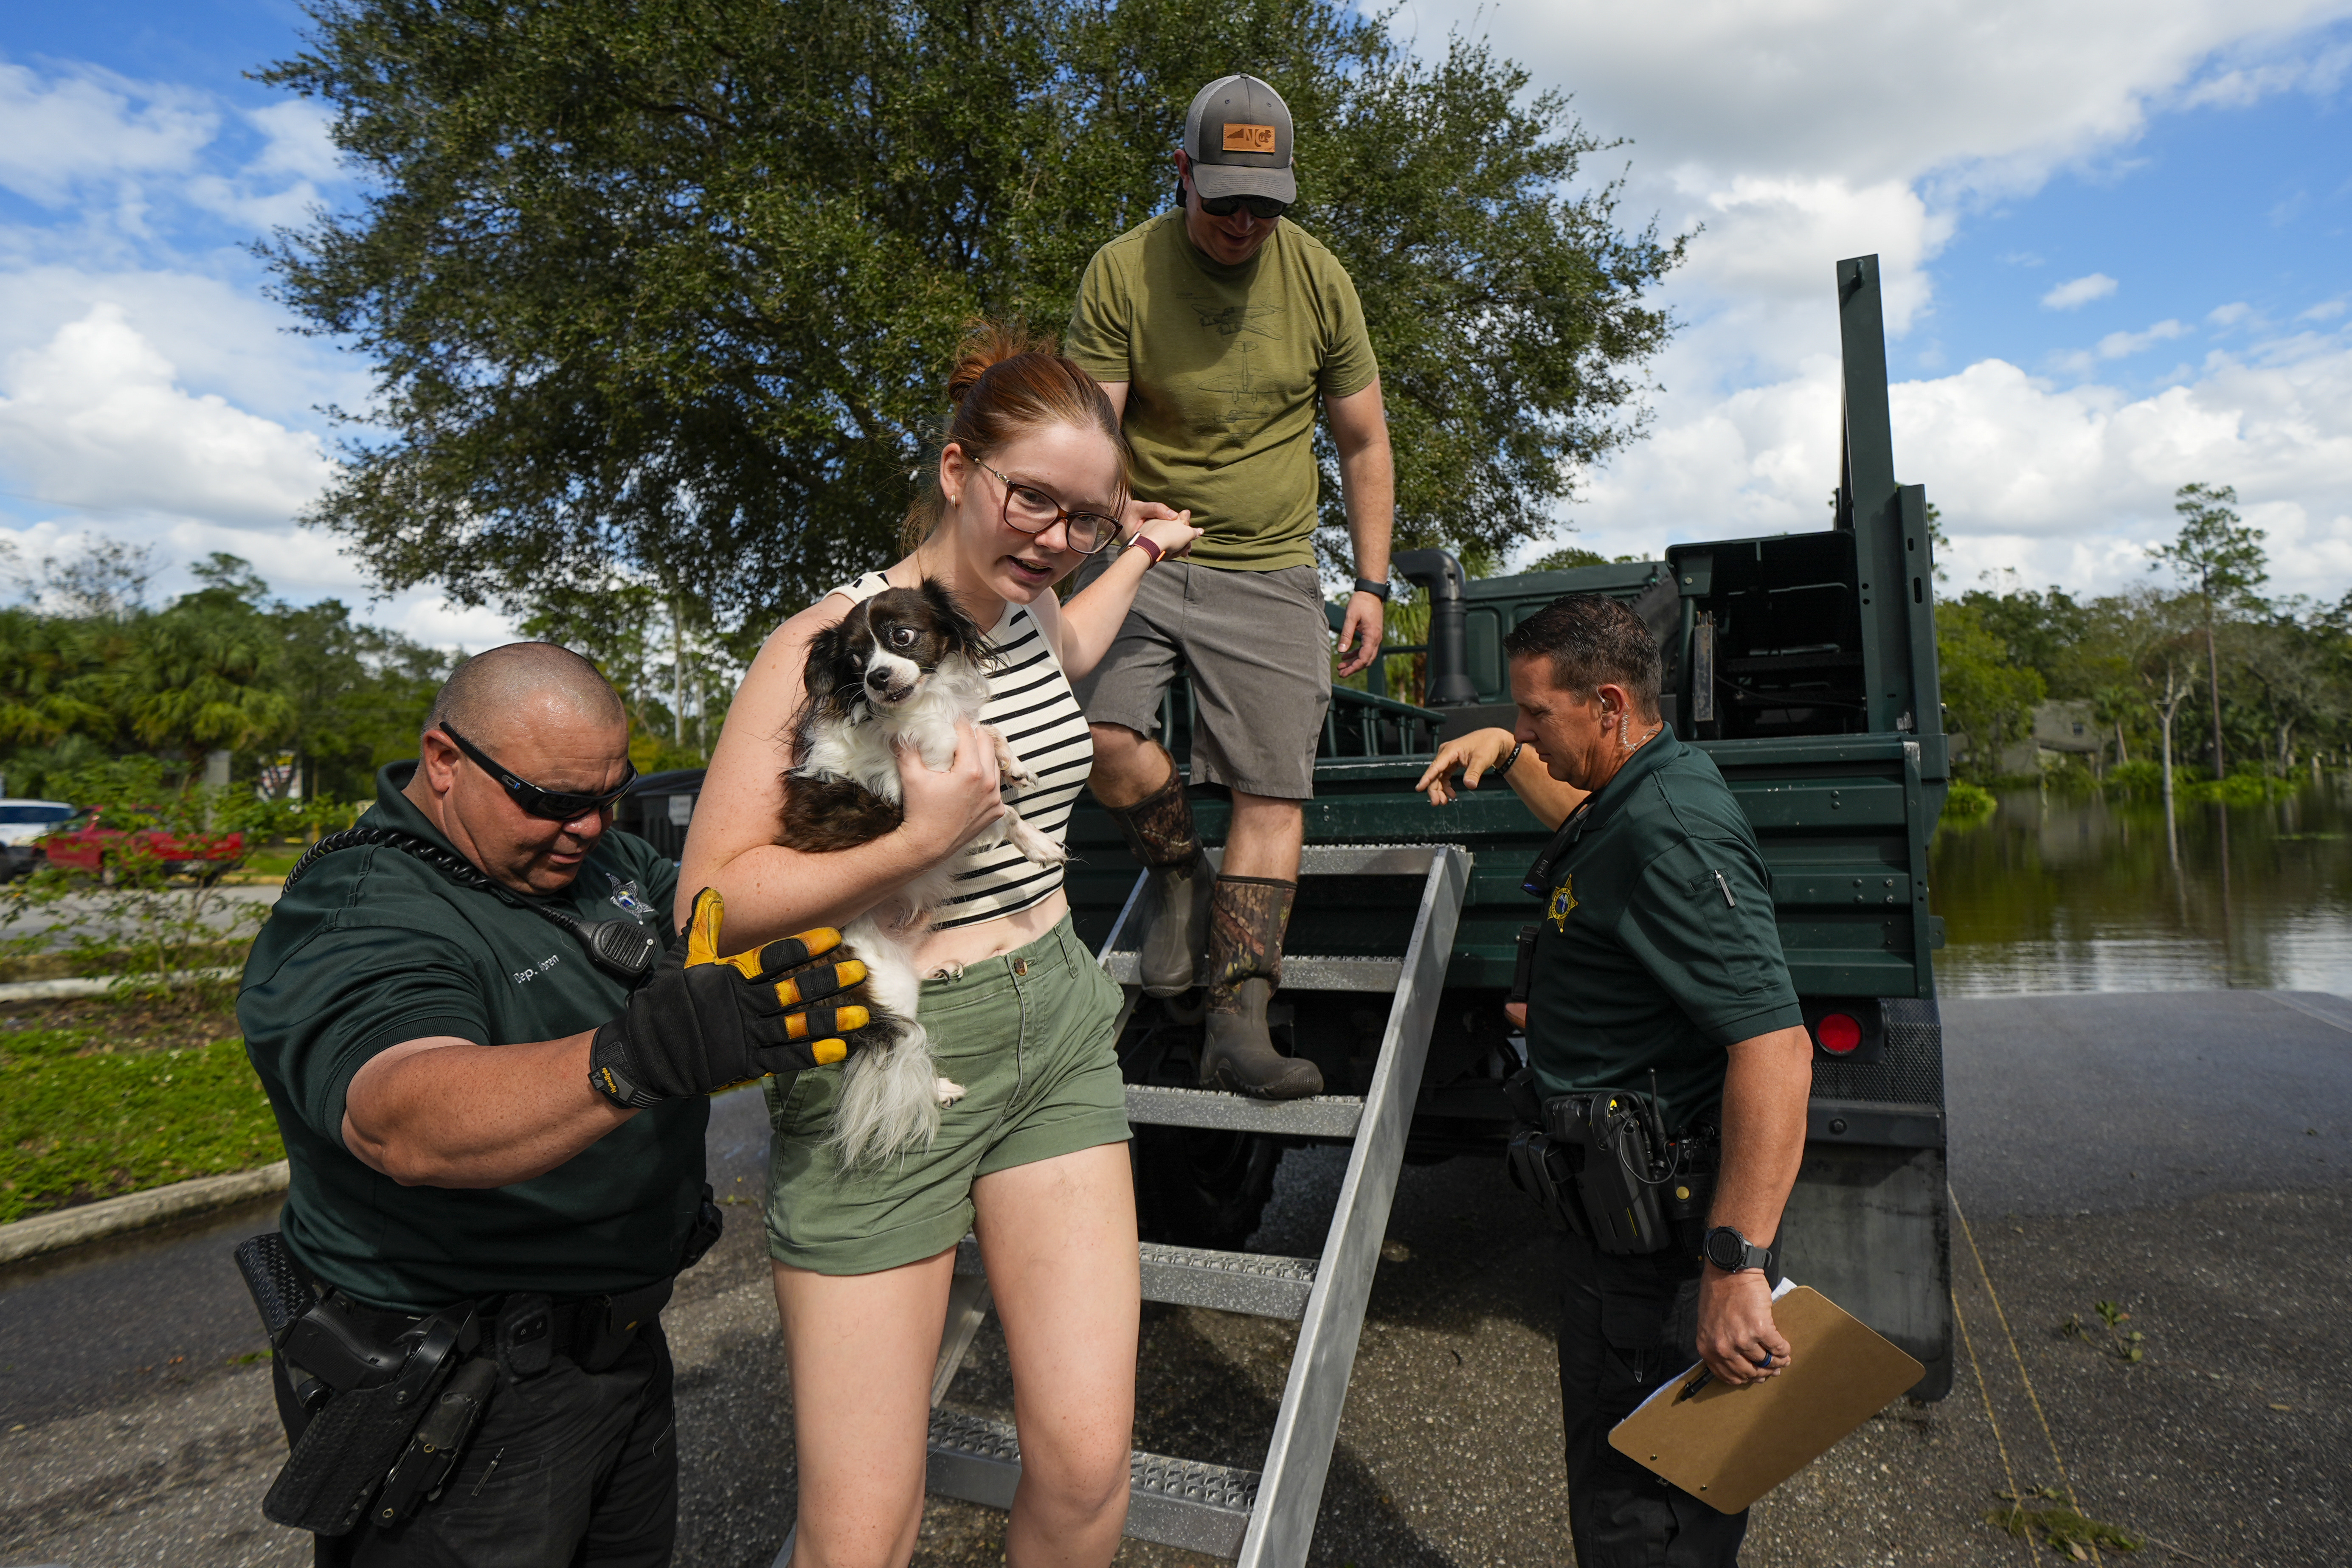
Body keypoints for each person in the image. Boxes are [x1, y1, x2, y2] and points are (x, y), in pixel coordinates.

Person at [680, 322, 1203, 1567]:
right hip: (886, 1042)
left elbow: (1071, 644)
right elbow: (706, 910)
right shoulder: (831, 644)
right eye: (1033, 498)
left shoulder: (1018, 624)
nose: (1051, 537)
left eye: (1081, 516)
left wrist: (1136, 549)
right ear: (959, 466)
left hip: (1058, 1025)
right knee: (863, 1532)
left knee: (1082, 1473)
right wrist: (911, 844)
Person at [240, 643, 866, 1567]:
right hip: (466, 1401)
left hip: (618, 1354)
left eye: (608, 794)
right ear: (445, 760)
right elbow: (403, 1114)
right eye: (551, 800)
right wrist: (641, 1055)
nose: (587, 825)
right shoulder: (367, 907)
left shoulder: (603, 859)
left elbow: (726, 916)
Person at [1415, 594, 1815, 1567]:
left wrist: (1734, 1264)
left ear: (1606, 704)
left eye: (1534, 716)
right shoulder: (1633, 795)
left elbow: (1776, 1045)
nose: (1523, 731)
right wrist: (1511, 761)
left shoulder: (1670, 829)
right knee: (1623, 1482)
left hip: (1663, 1247)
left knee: (1649, 1508)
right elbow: (1592, 826)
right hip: (1613, 1224)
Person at [1063, 71, 1395, 1100]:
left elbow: (1364, 439)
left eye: (1265, 204)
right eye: (1224, 201)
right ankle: (1176, 874)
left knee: (1270, 790)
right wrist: (1129, 529)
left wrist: (1371, 581)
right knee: (1097, 733)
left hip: (1270, 563)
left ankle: (1237, 1019)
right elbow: (1089, 431)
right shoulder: (1123, 272)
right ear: (1182, 176)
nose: (1244, 223)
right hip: (1144, 544)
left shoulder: (1318, 279)